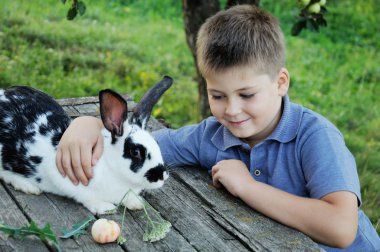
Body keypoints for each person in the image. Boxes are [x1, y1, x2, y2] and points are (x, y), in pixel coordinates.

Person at [55, 5, 380, 251]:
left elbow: (341, 228)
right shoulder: (210, 135)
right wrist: (88, 125)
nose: (232, 110)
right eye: (218, 95)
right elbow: (141, 146)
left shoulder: (314, 136)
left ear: (280, 83)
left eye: (247, 94)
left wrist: (247, 187)